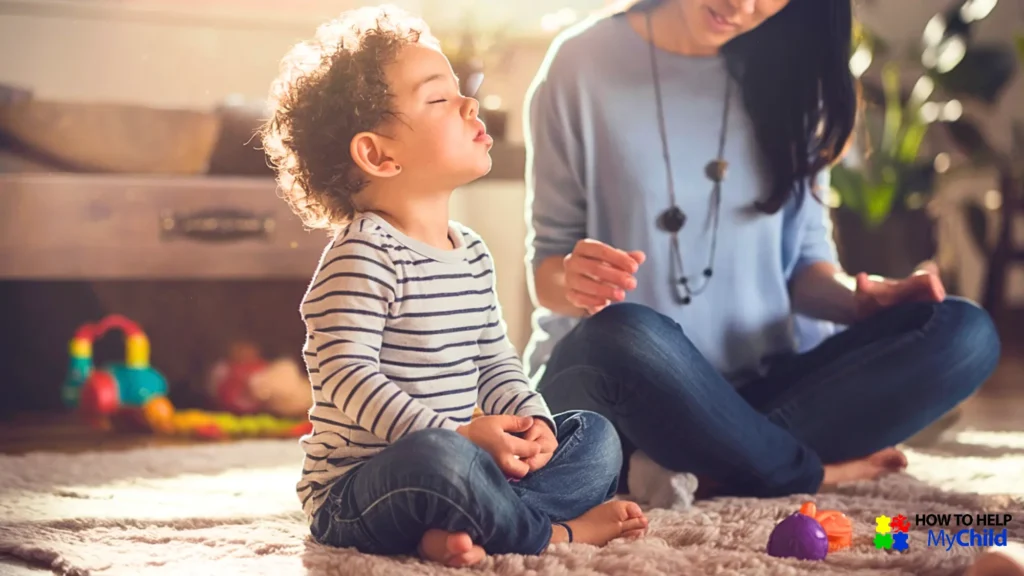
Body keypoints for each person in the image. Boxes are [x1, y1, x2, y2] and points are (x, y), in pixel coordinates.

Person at [522, 0, 1001, 502]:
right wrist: (574, 279)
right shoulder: (580, 62)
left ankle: (707, 470)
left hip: (755, 393)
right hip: (619, 394)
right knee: (626, 331)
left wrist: (863, 300)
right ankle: (801, 471)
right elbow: (546, 267)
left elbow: (804, 265)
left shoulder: (795, 75)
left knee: (964, 333)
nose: (744, 6)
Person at [259, 5, 647, 568]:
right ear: (378, 154)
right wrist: (458, 436)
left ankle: (464, 527)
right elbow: (346, 374)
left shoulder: (469, 251)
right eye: (438, 98)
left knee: (595, 437)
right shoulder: (362, 252)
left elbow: (493, 359)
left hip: (468, 464)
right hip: (362, 490)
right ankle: (553, 536)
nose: (469, 103)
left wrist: (531, 420)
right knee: (438, 461)